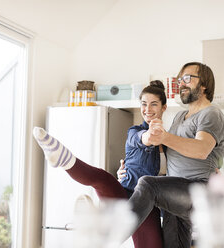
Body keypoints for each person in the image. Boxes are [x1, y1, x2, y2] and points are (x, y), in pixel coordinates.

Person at [33, 80, 168, 248]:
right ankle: (63, 158)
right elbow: (144, 139)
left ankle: (98, 228)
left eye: (153, 104)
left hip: (149, 206)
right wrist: (151, 133)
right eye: (144, 104)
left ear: (164, 107)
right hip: (125, 194)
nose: (147, 109)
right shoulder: (135, 132)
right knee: (105, 179)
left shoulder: (170, 142)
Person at [125, 62, 224, 248]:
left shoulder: (211, 114)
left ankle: (113, 231)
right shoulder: (180, 117)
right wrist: (128, 168)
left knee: (148, 184)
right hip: (174, 189)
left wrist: (164, 136)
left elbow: (201, 149)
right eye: (180, 79)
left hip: (197, 190)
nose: (181, 83)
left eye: (187, 78)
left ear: (204, 84)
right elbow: (167, 150)